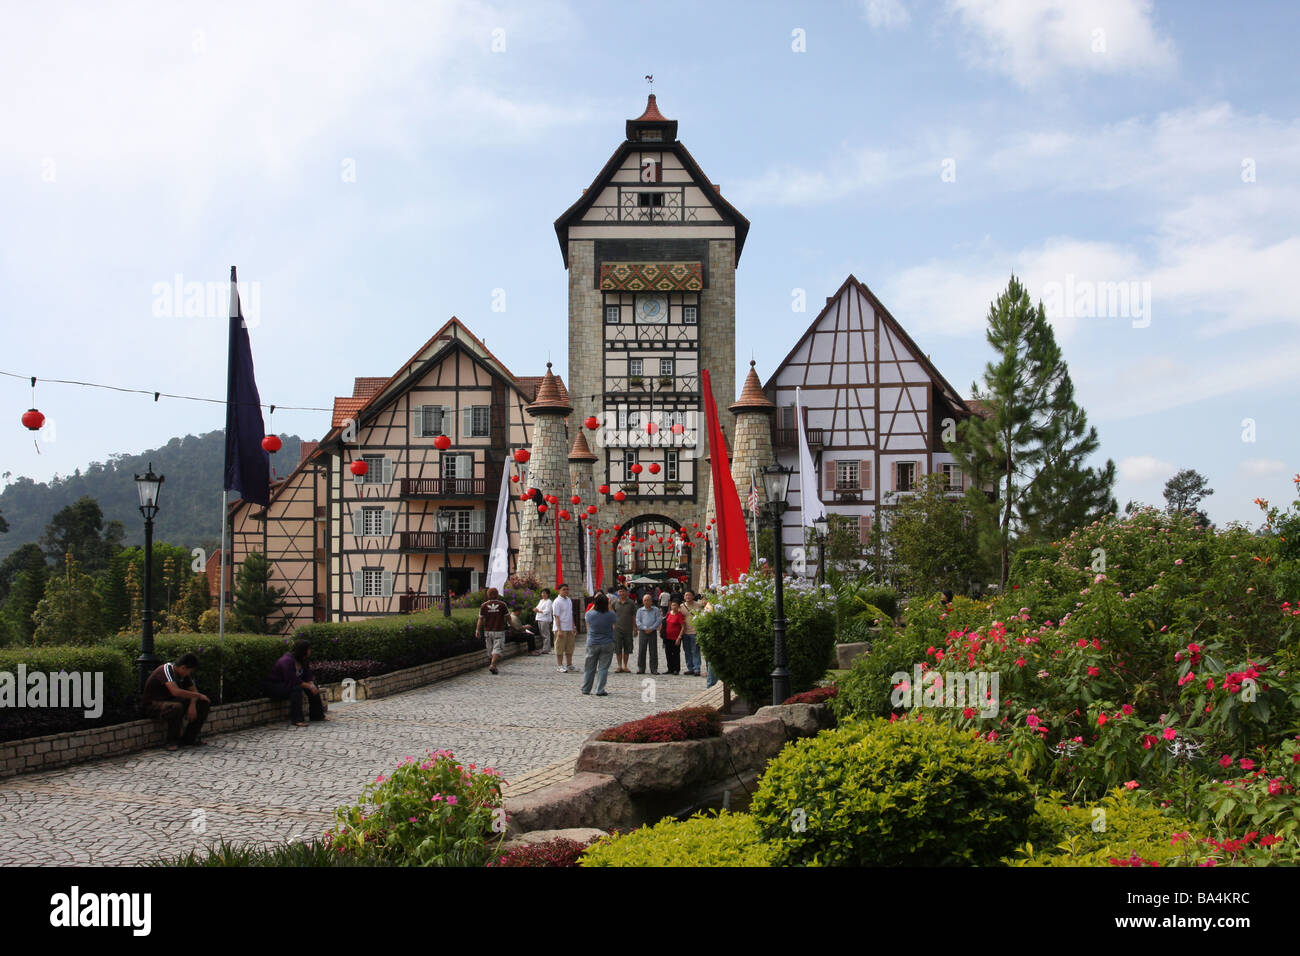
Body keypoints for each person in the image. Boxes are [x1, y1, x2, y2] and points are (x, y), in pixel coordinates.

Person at [142, 652, 211, 750]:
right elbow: (175, 691)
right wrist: (198, 695)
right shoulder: (166, 670)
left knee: (203, 703)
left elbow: (193, 690)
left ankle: (189, 738)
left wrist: (193, 704)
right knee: (176, 707)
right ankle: (171, 741)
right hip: (153, 704)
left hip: (171, 701)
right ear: (183, 667)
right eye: (189, 671)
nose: (189, 674)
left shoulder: (183, 674)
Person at [267, 638, 326, 726]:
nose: (310, 651)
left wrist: (311, 684)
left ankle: (317, 715)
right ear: (303, 650)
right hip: (275, 686)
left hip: (289, 684)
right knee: (296, 688)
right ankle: (297, 719)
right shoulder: (286, 661)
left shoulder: (303, 660)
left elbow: (308, 675)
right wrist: (308, 686)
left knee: (313, 686)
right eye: (309, 649)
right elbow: (291, 679)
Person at [581, 592, 618, 696]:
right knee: (603, 668)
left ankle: (586, 689)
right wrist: (609, 605)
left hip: (592, 643)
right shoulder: (610, 615)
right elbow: (615, 620)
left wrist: (595, 603)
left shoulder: (590, 614)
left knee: (589, 667)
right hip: (607, 643)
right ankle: (599, 690)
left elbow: (588, 614)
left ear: (595, 603)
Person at [477, 587, 510, 674]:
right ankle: (493, 665)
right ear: (497, 594)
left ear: (488, 595)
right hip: (499, 630)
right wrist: (510, 624)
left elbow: (480, 619)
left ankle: (493, 665)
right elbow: (508, 617)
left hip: (487, 631)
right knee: (497, 649)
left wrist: (477, 630)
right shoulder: (502, 605)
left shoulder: (483, 605)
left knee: (490, 650)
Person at [552, 583, 577, 673]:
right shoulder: (557, 601)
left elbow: (571, 614)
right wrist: (559, 630)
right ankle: (559, 665)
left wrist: (573, 626)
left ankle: (569, 664)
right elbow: (556, 616)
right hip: (561, 628)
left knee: (570, 647)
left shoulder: (569, 600)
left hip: (569, 627)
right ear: (559, 591)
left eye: (567, 589)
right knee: (560, 647)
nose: (566, 591)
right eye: (564, 589)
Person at [635, 592, 662, 675]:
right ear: (643, 601)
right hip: (643, 632)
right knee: (642, 650)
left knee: (653, 651)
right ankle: (641, 668)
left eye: (648, 600)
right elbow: (637, 621)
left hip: (652, 632)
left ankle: (654, 669)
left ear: (651, 601)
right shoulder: (640, 610)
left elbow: (658, 620)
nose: (646, 602)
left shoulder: (656, 610)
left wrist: (652, 628)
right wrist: (644, 628)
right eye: (645, 600)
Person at [612, 586, 637, 674]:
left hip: (628, 629)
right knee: (618, 648)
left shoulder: (631, 603)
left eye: (623, 591)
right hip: (617, 629)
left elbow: (634, 616)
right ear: (617, 593)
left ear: (626, 592)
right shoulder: (615, 603)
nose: (621, 593)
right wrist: (612, 625)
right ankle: (619, 666)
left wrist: (635, 628)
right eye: (620, 591)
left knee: (627, 648)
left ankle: (625, 666)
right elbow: (611, 614)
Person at [681, 590, 702, 676]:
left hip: (695, 631)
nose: (688, 597)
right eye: (686, 595)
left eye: (689, 595)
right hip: (685, 632)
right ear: (684, 597)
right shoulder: (681, 606)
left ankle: (697, 668)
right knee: (687, 651)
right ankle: (690, 668)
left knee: (695, 650)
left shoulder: (698, 605)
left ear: (693, 596)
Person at [662, 599, 685, 675]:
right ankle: (670, 669)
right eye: (672, 605)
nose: (673, 606)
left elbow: (683, 627)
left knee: (676, 654)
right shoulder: (668, 614)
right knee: (668, 654)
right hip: (667, 637)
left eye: (675, 605)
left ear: (678, 606)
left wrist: (679, 637)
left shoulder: (680, 615)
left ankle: (676, 669)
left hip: (676, 638)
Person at [533, 588, 554, 656]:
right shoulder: (541, 601)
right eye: (542, 593)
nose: (543, 594)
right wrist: (535, 609)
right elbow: (537, 607)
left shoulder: (549, 601)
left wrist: (539, 611)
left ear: (548, 594)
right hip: (539, 618)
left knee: (546, 634)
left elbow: (547, 611)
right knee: (542, 634)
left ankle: (546, 649)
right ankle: (544, 648)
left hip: (545, 619)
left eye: (545, 593)